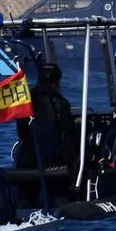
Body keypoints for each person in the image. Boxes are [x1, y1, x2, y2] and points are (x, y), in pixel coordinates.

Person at [15, 62, 77, 206]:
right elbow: (68, 132)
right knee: (59, 197)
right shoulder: (60, 103)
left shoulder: (25, 100)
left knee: (24, 200)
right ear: (57, 81)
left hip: (26, 161)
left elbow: (22, 131)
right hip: (53, 162)